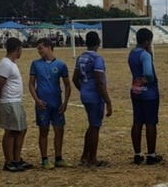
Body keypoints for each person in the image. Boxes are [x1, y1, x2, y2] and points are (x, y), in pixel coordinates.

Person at [28, 38, 72, 170]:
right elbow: (31, 84)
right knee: (43, 130)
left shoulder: (61, 65)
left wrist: (65, 102)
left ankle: (58, 158)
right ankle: (44, 159)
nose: (39, 51)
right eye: (38, 49)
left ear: (48, 47)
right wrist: (36, 99)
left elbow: (67, 85)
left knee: (59, 130)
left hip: (56, 103)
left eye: (40, 48)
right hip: (42, 104)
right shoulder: (35, 64)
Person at [72, 31, 112, 167]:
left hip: (85, 95)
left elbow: (75, 78)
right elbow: (99, 82)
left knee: (91, 125)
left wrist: (83, 89)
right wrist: (108, 101)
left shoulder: (81, 57)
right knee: (95, 126)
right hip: (95, 96)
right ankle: (92, 159)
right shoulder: (97, 59)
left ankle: (85, 155)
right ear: (98, 43)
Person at [0, 37, 31, 172]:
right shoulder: (6, 64)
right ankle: (9, 161)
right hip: (8, 101)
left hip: (15, 101)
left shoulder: (11, 63)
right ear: (18, 49)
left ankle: (16, 159)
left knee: (21, 129)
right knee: (11, 131)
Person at [128, 28, 162, 165]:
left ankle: (137, 154)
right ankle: (151, 155)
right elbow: (148, 73)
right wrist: (148, 79)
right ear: (147, 41)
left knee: (137, 121)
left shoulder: (132, 53)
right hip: (149, 93)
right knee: (150, 122)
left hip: (136, 90)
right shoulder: (145, 55)